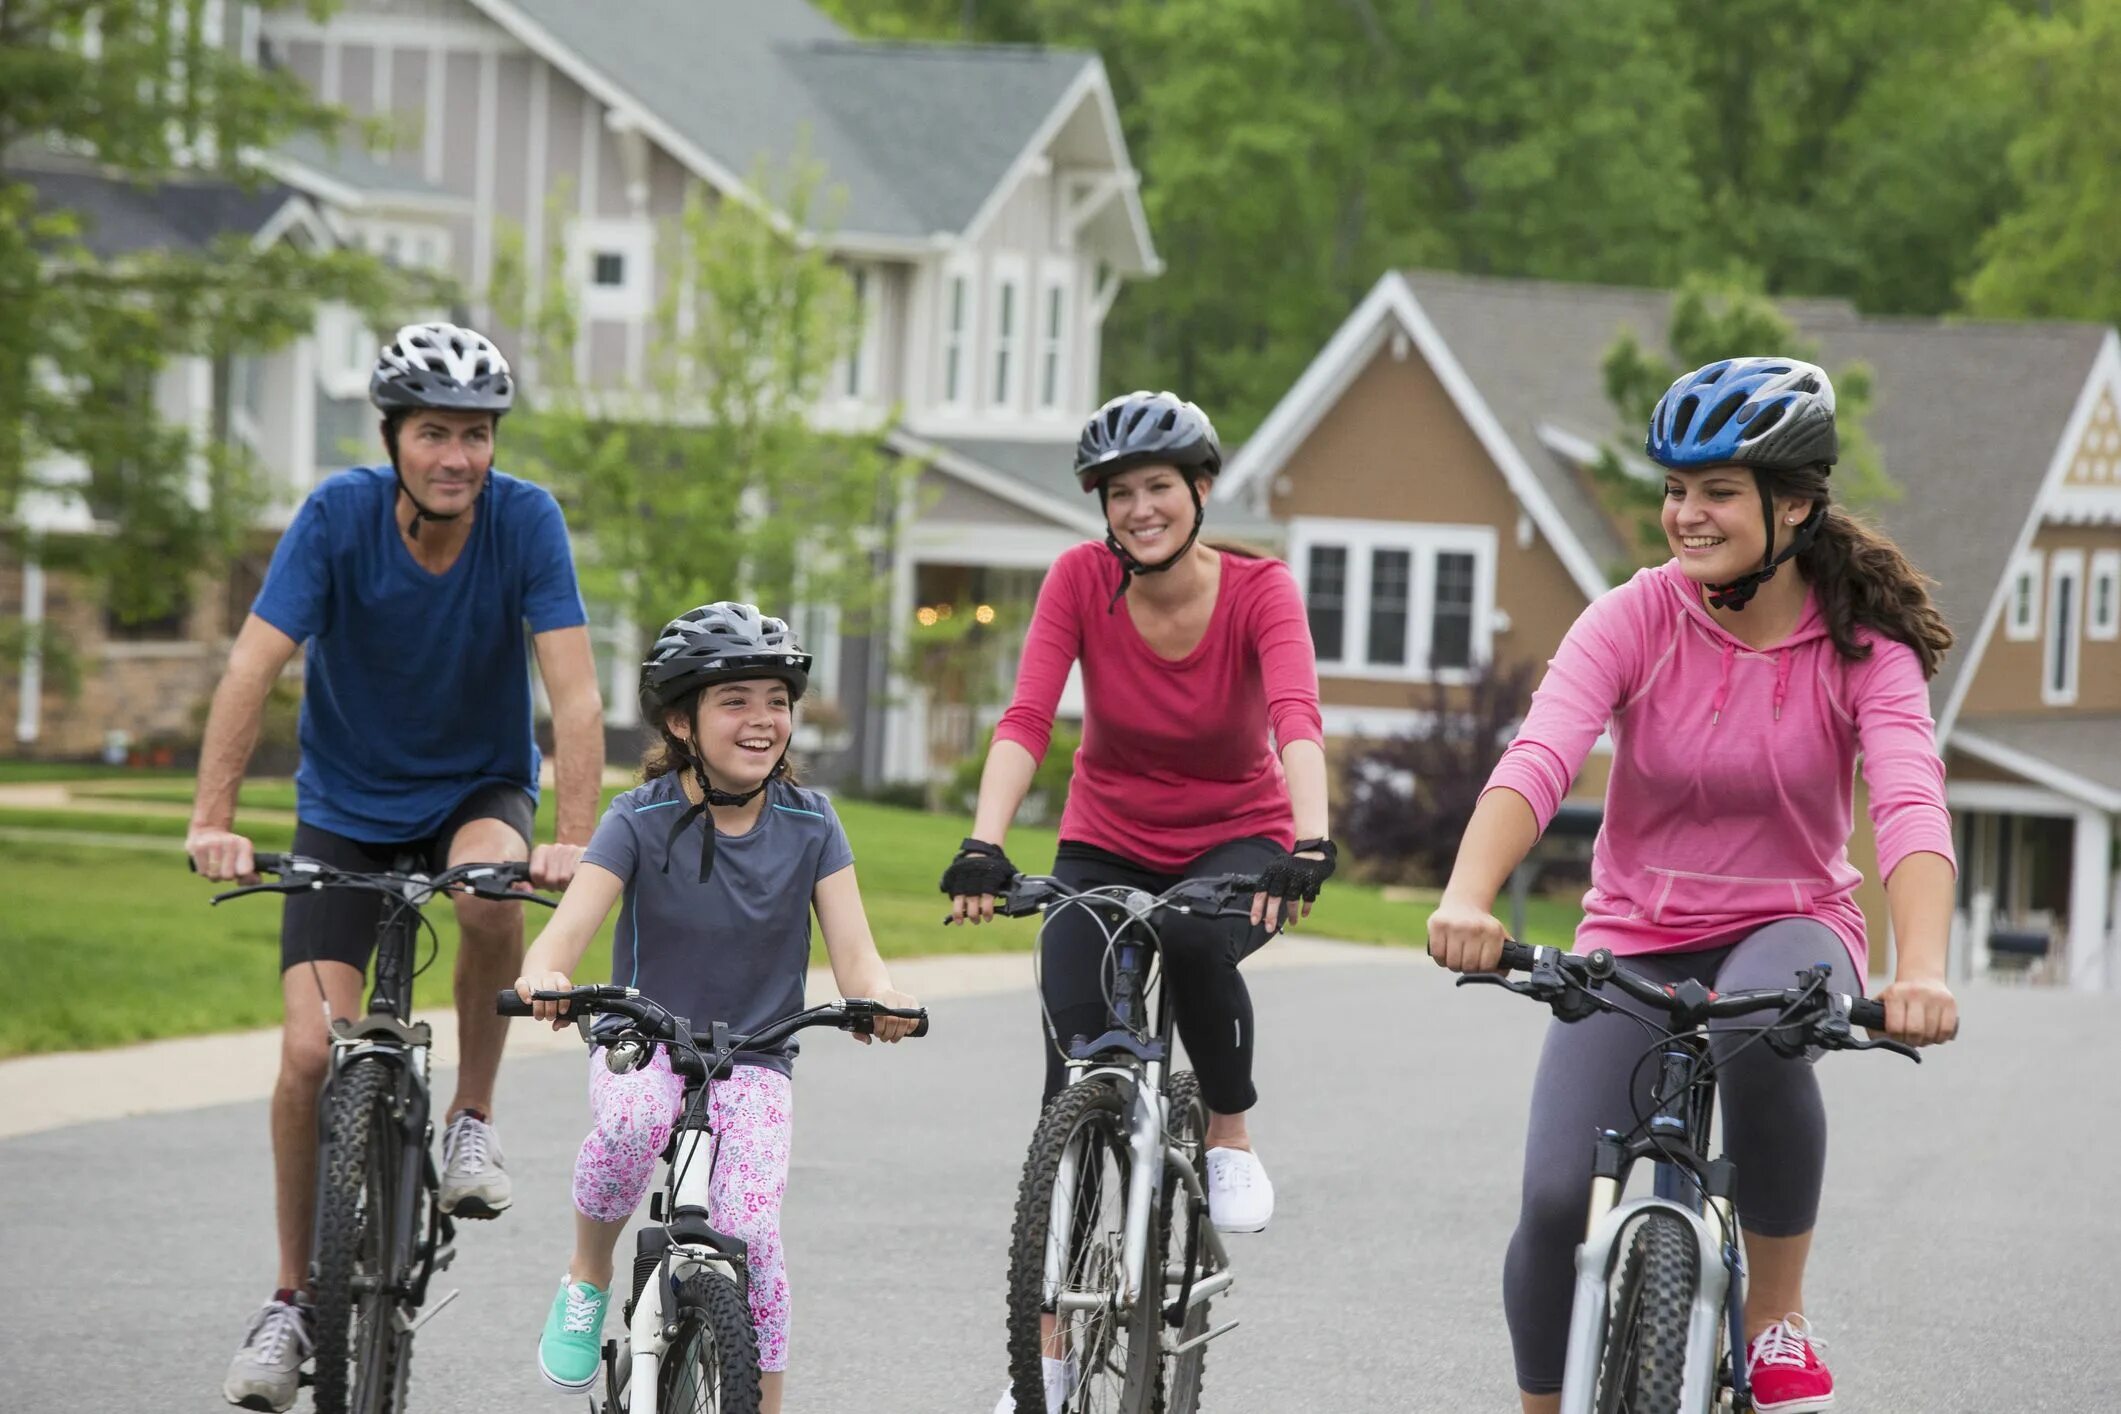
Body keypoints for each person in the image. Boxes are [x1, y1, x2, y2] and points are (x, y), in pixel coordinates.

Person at [1425, 357, 1961, 1414]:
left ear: (1794, 503)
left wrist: (1925, 968)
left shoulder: (1863, 646)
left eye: (1717, 491)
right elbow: (1541, 756)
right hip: (1634, 934)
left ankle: (1776, 1315)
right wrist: (1467, 895)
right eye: (1675, 489)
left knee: (1753, 1035)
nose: (1686, 514)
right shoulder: (1634, 616)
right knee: (1548, 1204)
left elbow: (1908, 804)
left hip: (1789, 926)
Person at [190, 322, 605, 1412]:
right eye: (435, 433)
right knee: (303, 1059)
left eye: (476, 434)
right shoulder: (335, 517)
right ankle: (290, 1299)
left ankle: (470, 1112)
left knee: (486, 891)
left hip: (477, 792)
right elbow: (251, 668)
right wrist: (215, 816)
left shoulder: (526, 521)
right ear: (393, 439)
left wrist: (568, 830)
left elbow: (574, 695)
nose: (457, 455)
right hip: (345, 810)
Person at [941, 390, 1334, 1414]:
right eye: (1121, 494)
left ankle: (1230, 1130)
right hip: (1104, 834)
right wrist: (987, 839)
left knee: (1196, 946)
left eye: (1159, 486)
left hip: (1235, 834)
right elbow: (1028, 713)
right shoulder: (1079, 580)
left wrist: (1311, 836)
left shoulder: (1260, 589)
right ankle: (1052, 1351)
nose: (1140, 508)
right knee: (1071, 1063)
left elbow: (1295, 712)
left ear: (1201, 491)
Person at [513, 601, 918, 1414]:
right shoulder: (639, 817)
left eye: (775, 698)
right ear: (681, 719)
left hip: (756, 1056)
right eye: (734, 700)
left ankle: (761, 1401)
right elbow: (561, 939)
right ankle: (588, 1273)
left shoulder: (812, 823)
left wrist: (879, 997)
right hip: (645, 1040)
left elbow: (855, 955)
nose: (762, 718)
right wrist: (546, 976)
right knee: (630, 1122)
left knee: (754, 1233)